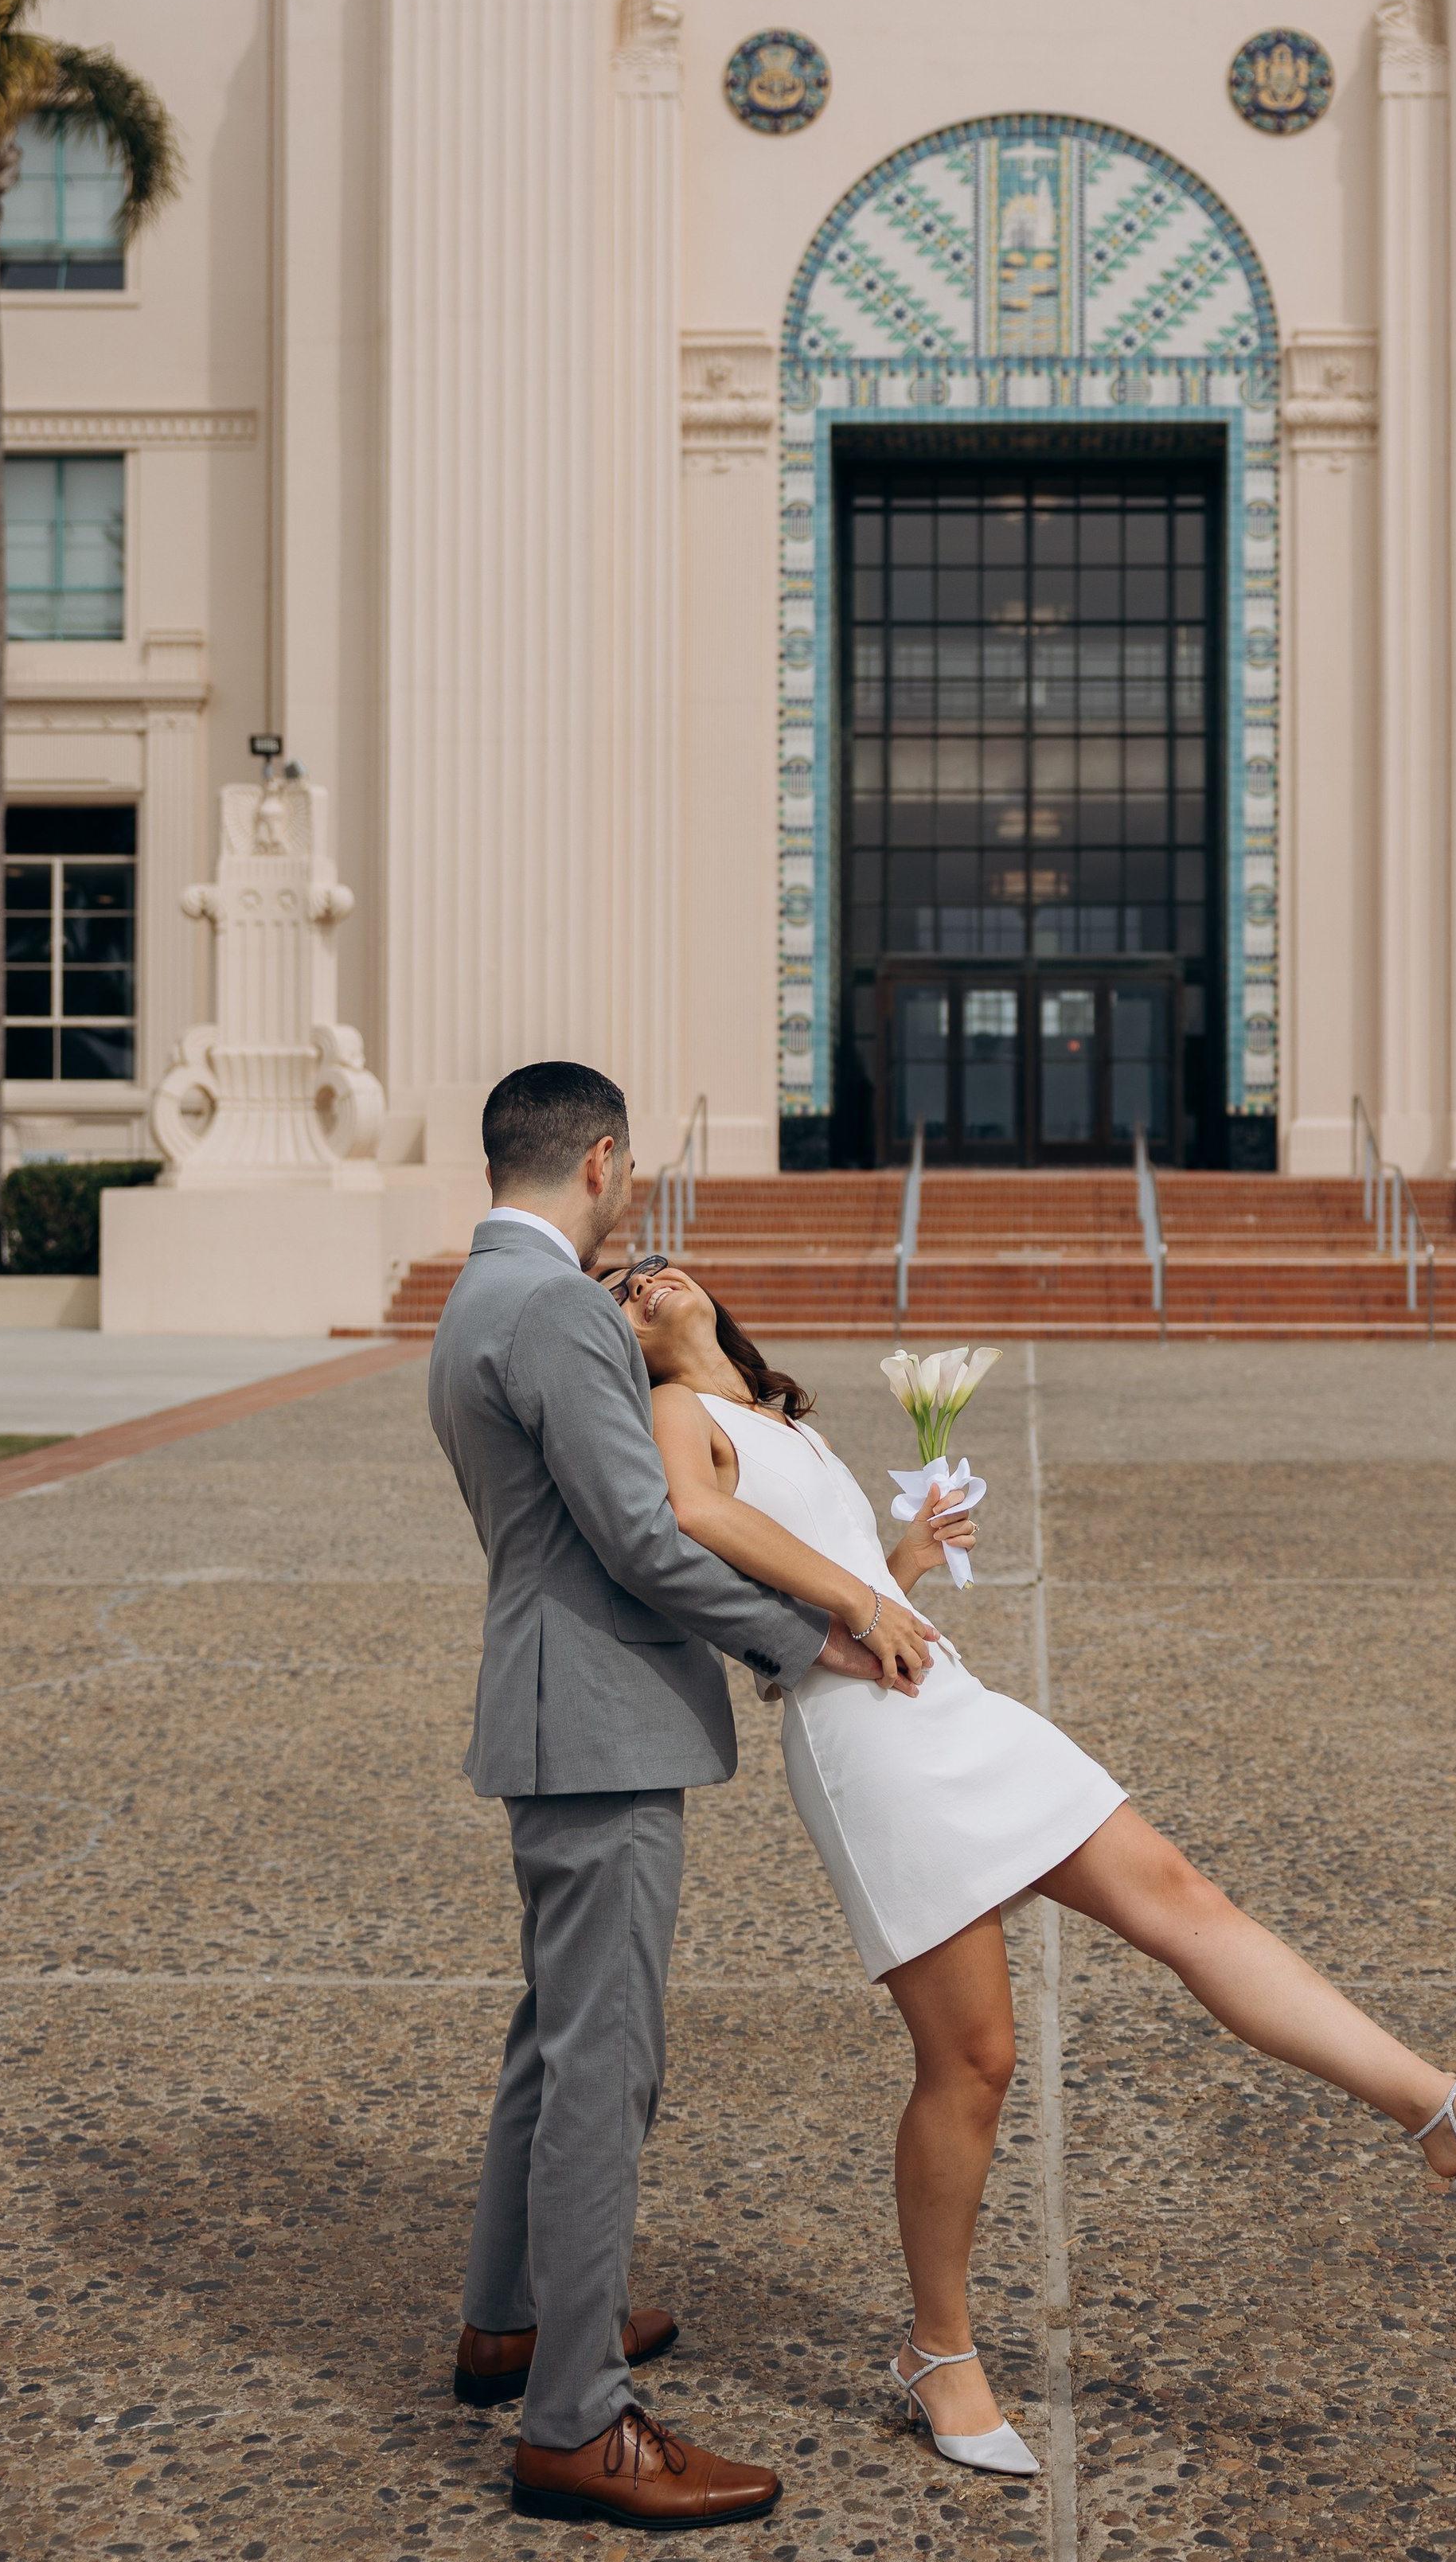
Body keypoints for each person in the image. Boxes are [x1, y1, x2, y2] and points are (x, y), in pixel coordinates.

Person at [620, 1261, 1456, 2478]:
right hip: (862, 1733)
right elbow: (698, 1522)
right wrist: (863, 1602)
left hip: (943, 1696)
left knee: (1187, 1899)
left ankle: (1440, 2109)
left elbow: (837, 1576)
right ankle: (939, 2353)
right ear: (626, 1345)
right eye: (620, 1288)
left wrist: (902, 1561)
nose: (648, 1278)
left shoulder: (780, 1414)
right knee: (974, 2061)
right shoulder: (675, 1412)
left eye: (657, 1262)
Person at [428, 1063, 941, 2533]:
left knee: (555, 2041)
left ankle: (512, 2322)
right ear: (601, 1159)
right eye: (630, 1170)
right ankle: (576, 2420)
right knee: (607, 2068)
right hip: (596, 1725)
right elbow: (648, 1536)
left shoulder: (483, 1295)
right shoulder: (554, 1311)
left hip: (556, 1712)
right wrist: (821, 1635)